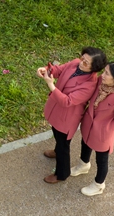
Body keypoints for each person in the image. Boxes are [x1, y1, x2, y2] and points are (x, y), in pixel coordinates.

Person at [37, 47, 105, 184]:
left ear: (94, 68)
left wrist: (50, 85)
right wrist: (46, 70)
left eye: (86, 63)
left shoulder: (89, 85)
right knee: (57, 135)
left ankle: (62, 174)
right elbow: (59, 70)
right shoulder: (75, 63)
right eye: (82, 58)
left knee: (63, 145)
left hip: (66, 119)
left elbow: (67, 101)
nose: (81, 63)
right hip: (56, 111)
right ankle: (56, 152)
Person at [73, 62, 114, 196]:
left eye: (106, 73)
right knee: (85, 144)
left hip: (103, 133)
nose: (102, 75)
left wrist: (105, 124)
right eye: (104, 71)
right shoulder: (101, 82)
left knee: (102, 160)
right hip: (89, 124)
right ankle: (83, 165)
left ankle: (99, 185)